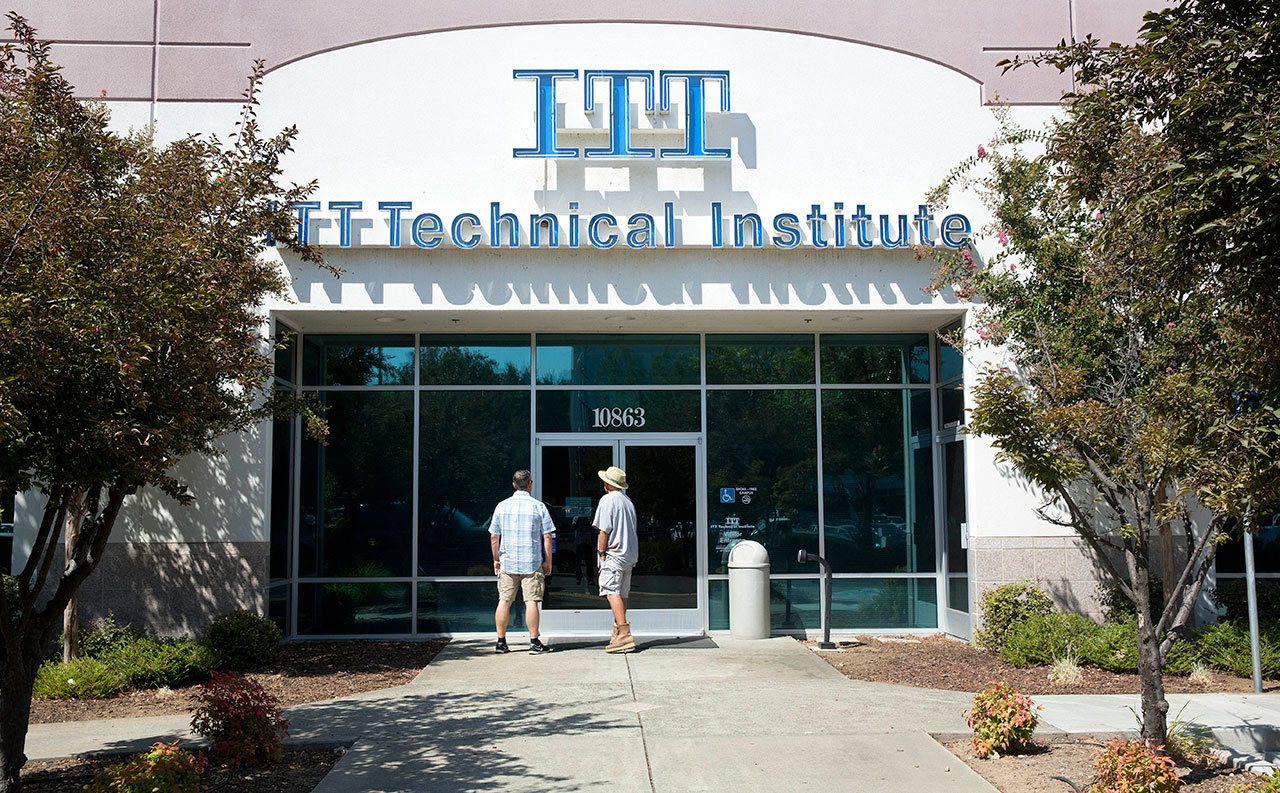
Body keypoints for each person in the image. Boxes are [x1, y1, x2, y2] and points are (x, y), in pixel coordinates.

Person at [489, 469, 554, 654]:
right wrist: (548, 561)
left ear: (514, 484)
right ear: (530, 484)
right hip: (531, 563)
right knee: (531, 601)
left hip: (508, 562)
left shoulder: (501, 506)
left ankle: (501, 643)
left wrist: (496, 560)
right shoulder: (538, 506)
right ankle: (534, 642)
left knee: (504, 601)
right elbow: (547, 536)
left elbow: (494, 536)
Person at [594, 465, 638, 654]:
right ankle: (617, 633)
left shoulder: (607, 500)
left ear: (607, 484)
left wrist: (601, 552)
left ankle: (624, 633)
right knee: (622, 593)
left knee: (611, 591)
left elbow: (604, 530)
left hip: (614, 554)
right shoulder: (628, 502)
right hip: (629, 554)